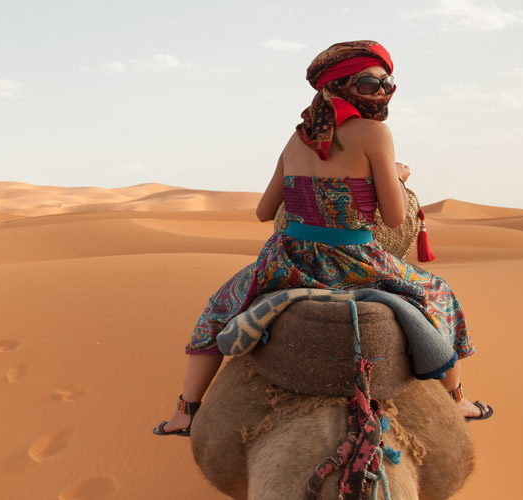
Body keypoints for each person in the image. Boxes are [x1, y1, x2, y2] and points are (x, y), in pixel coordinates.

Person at [153, 40, 492, 437]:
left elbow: (263, 212)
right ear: (339, 85)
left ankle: (186, 410)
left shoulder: (297, 139)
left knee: (219, 308)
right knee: (439, 293)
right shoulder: (375, 133)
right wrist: (398, 177)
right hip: (356, 258)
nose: (383, 92)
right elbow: (395, 216)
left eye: (388, 83)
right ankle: (457, 399)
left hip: (286, 260)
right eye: (370, 83)